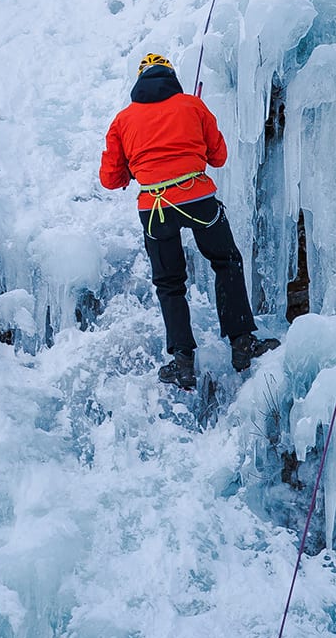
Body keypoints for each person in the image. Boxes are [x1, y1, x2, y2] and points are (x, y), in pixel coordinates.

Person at [99, 53, 279, 390]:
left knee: (169, 283)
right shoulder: (192, 106)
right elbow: (219, 156)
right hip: (197, 198)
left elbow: (111, 178)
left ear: (140, 82)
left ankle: (182, 362)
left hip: (154, 206)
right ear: (171, 77)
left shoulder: (122, 120)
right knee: (226, 262)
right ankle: (242, 344)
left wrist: (135, 171)